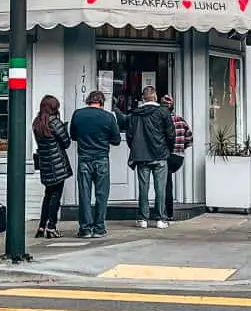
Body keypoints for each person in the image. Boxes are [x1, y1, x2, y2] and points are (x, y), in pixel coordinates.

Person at [70, 90, 121, 238]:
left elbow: (73, 135)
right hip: (101, 158)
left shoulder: (78, 114)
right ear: (102, 102)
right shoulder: (108, 117)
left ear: (88, 100)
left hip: (84, 158)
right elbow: (117, 140)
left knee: (84, 194)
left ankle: (85, 228)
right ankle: (99, 228)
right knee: (101, 194)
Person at [125, 86, 175, 229]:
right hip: (160, 155)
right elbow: (171, 135)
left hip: (141, 156)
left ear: (143, 98)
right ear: (155, 96)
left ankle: (143, 219)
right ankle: (160, 218)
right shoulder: (163, 112)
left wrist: (136, 148)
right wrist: (168, 150)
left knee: (143, 187)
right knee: (161, 188)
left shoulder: (135, 114)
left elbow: (129, 136)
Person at [33, 94, 72, 239]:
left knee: (47, 195)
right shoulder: (55, 122)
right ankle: (51, 226)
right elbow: (66, 143)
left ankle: (42, 225)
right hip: (57, 164)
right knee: (56, 196)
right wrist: (64, 127)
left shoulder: (37, 122)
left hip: (45, 163)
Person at [160, 94, 193, 222]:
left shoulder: (160, 120)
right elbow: (189, 139)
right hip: (178, 157)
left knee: (165, 184)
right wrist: (180, 148)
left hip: (165, 155)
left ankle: (167, 213)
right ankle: (168, 213)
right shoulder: (180, 119)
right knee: (167, 182)